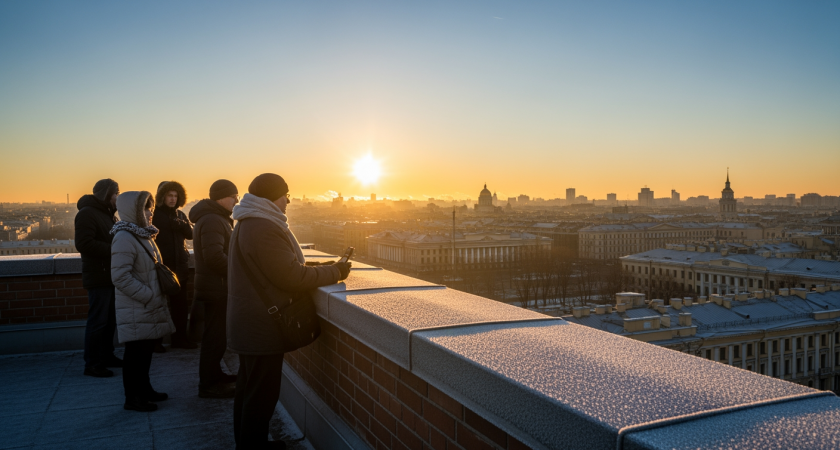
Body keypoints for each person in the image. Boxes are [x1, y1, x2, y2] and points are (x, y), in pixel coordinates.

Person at [228, 173, 351, 449]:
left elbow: (279, 268)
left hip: (248, 321)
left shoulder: (248, 221)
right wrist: (335, 272)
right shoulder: (264, 227)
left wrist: (322, 267)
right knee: (261, 394)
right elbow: (291, 276)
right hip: (260, 325)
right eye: (286, 196)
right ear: (274, 197)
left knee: (249, 389)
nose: (288, 202)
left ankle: (249, 443)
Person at [110, 191, 175, 412]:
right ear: (134, 211)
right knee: (135, 355)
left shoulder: (142, 234)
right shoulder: (124, 237)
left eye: (151, 207)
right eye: (146, 208)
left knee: (145, 352)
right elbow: (120, 276)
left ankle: (144, 389)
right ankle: (133, 398)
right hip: (138, 306)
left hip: (146, 306)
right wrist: (148, 295)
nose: (151, 212)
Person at [190, 179, 239, 398]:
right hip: (216, 288)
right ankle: (209, 385)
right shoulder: (212, 220)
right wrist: (240, 270)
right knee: (214, 337)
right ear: (220, 197)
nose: (236, 200)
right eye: (233, 196)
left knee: (216, 336)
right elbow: (214, 257)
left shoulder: (214, 218)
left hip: (214, 287)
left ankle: (214, 375)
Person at [75, 178, 122, 377]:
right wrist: (115, 250)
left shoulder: (109, 214)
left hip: (110, 274)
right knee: (98, 321)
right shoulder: (87, 214)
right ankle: (92, 364)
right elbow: (84, 244)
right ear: (106, 194)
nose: (118, 197)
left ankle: (106, 356)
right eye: (115, 193)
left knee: (110, 320)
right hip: (98, 275)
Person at [153, 181, 195, 349]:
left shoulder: (180, 215)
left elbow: (191, 234)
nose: (172, 199)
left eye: (175, 196)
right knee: (158, 306)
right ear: (162, 197)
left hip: (180, 267)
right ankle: (155, 342)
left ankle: (180, 339)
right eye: (169, 195)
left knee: (180, 307)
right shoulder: (154, 215)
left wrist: (180, 223)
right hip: (161, 267)